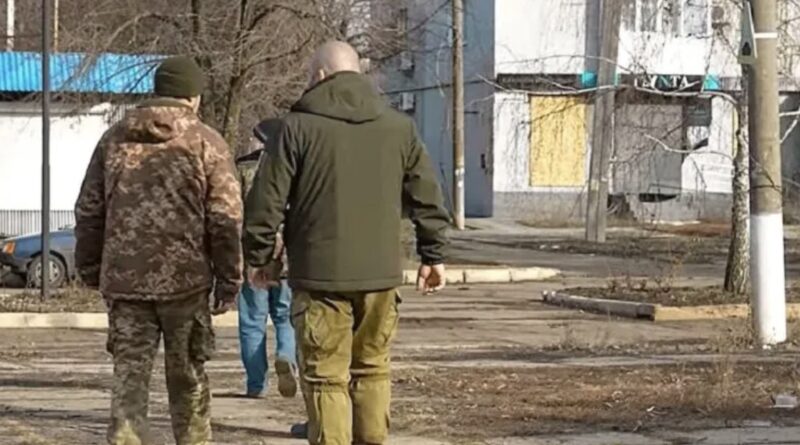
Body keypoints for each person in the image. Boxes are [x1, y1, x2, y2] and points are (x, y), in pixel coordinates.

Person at [244, 41, 450, 445]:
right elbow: (427, 194)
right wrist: (433, 255)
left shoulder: (294, 129)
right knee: (372, 368)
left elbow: (265, 203)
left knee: (325, 376)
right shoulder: (399, 127)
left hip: (318, 278)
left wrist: (261, 257)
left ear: (321, 75)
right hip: (380, 277)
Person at [75, 56, 242, 445]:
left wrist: (90, 268)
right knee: (188, 380)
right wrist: (229, 280)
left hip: (125, 283)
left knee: (129, 382)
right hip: (187, 283)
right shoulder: (207, 142)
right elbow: (225, 218)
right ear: (194, 96)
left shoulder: (114, 139)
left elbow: (88, 210)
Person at [236, 121, 297, 399]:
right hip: (289, 256)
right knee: (286, 316)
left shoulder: (243, 169)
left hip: (253, 254)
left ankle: (256, 384)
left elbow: (232, 213)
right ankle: (286, 356)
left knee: (252, 320)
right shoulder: (295, 167)